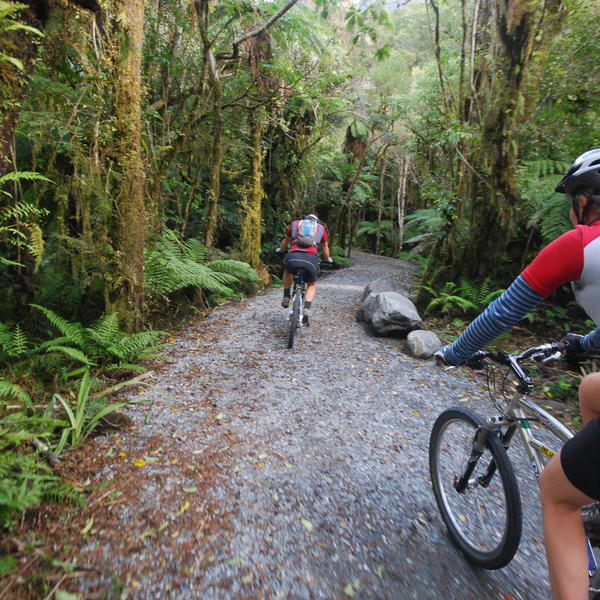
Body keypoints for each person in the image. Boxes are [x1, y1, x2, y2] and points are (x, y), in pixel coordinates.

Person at [435, 147, 600, 600]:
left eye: (573, 200)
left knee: (556, 492)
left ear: (585, 200)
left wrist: (454, 351)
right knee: (590, 388)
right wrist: (581, 346)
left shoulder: (581, 243)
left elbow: (505, 309)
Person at [277, 213, 332, 325]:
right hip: (310, 260)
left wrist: (281, 251)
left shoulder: (295, 224)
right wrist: (327, 259)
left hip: (293, 257)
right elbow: (325, 247)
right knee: (311, 284)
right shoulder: (321, 229)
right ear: (316, 222)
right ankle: (306, 308)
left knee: (288, 271)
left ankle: (287, 295)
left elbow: (286, 241)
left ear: (305, 220)